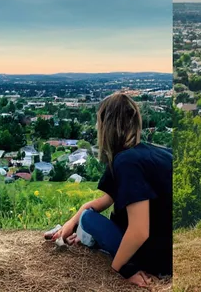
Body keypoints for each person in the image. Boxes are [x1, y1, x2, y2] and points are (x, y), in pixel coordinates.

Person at [44, 92, 171, 287]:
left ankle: (103, 245)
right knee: (86, 216)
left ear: (106, 126)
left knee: (88, 219)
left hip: (158, 257)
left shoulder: (127, 162)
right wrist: (69, 224)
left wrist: (121, 269)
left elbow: (139, 231)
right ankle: (83, 235)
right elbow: (101, 202)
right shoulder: (152, 152)